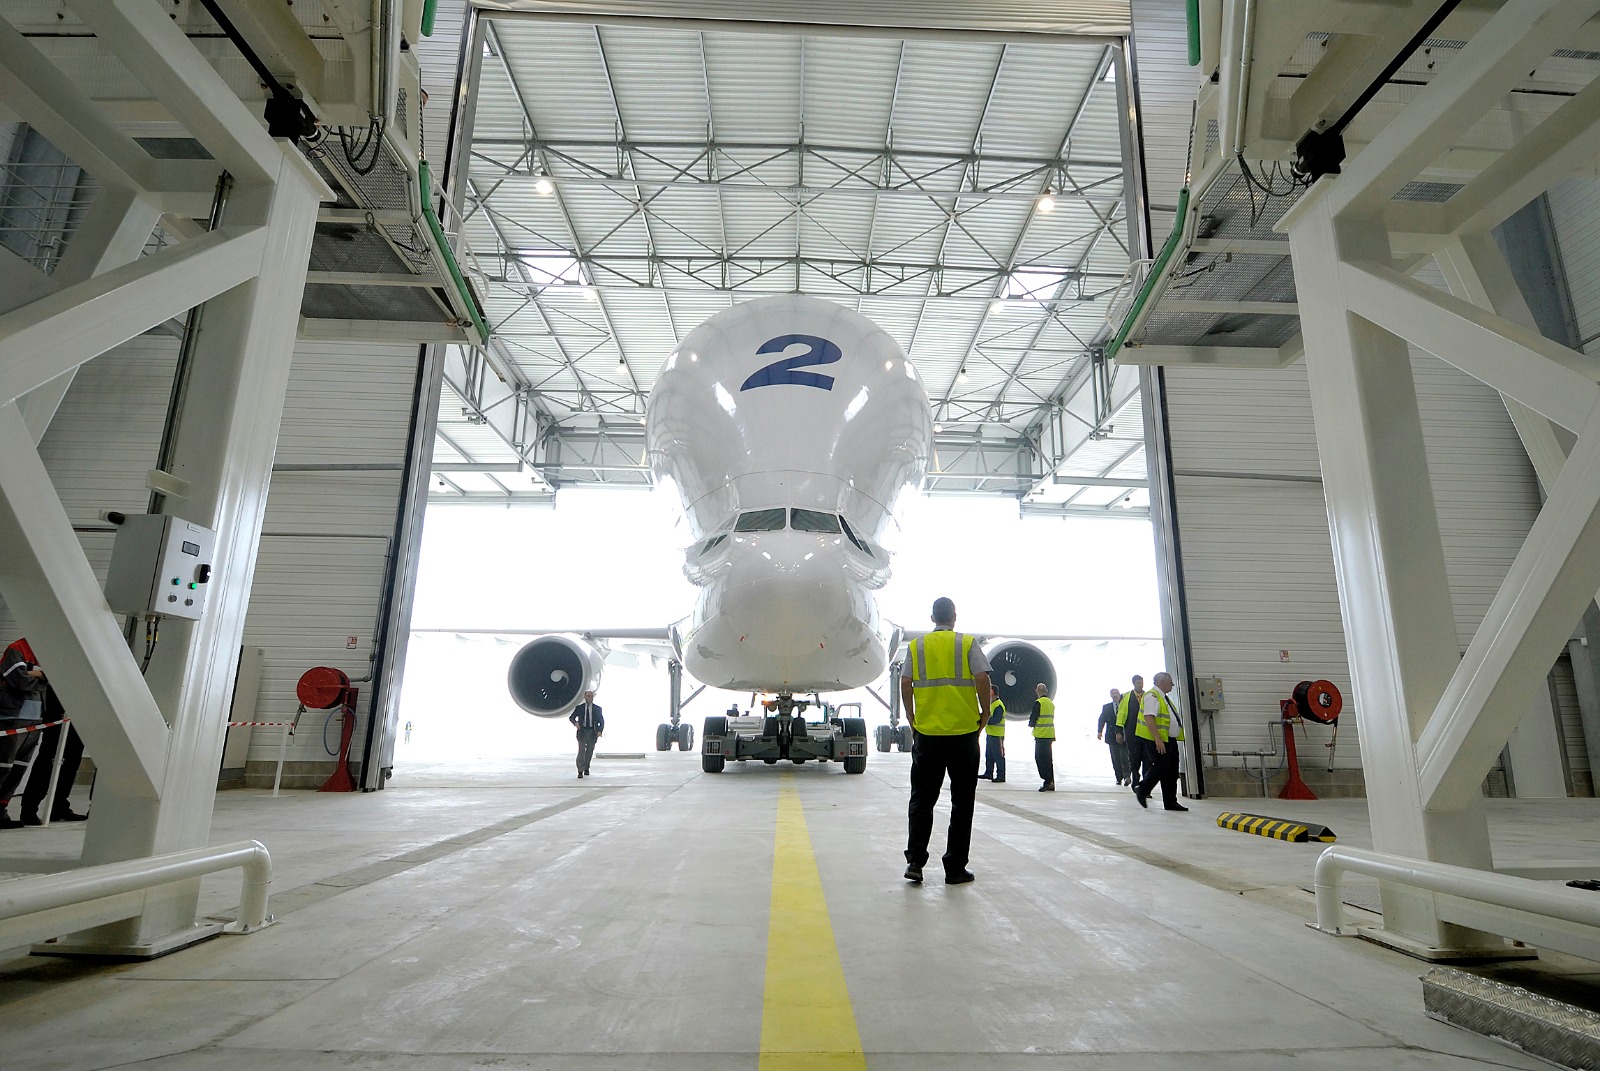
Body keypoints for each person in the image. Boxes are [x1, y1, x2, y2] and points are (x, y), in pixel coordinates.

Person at [901, 596, 991, 885]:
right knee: (962, 803)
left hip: (928, 735)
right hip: (963, 735)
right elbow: (982, 677)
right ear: (954, 616)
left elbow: (905, 682)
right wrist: (985, 711)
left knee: (922, 800)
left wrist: (911, 717)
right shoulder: (967, 643)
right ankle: (954, 868)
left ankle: (915, 862)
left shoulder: (917, 646)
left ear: (932, 618)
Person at [20, 685, 87, 825]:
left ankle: (59, 805)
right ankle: (29, 809)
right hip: (58, 705)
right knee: (48, 760)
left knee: (72, 760)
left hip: (80, 705)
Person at [0, 637, 48, 829]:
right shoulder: (17, 649)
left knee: (18, 769)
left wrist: (35, 673)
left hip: (35, 721)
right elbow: (19, 680)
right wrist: (42, 677)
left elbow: (56, 678)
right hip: (11, 718)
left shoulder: (46, 652)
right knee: (3, 767)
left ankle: (1, 810)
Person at [1133, 672, 1189, 812]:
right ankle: (1143, 788)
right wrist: (1158, 739)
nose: (1172, 685)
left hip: (1169, 740)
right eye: (1170, 682)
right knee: (1161, 767)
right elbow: (1149, 717)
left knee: (1171, 771)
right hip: (1158, 740)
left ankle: (1170, 802)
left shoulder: (1163, 697)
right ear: (1163, 682)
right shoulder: (1152, 696)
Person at [1115, 675, 1151, 791]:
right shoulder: (1126, 697)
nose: (1141, 685)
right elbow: (1121, 715)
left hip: (1147, 734)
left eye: (1142, 682)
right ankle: (1135, 782)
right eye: (1138, 682)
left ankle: (1145, 787)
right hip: (1132, 734)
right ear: (1134, 683)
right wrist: (1119, 732)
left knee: (1148, 760)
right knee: (1134, 760)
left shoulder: (1148, 696)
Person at [1097, 687, 1129, 785]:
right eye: (1113, 693)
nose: (1115, 695)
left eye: (1116, 693)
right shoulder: (1106, 707)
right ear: (1110, 695)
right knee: (1115, 758)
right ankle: (1119, 778)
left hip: (1124, 736)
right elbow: (1102, 719)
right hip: (1111, 736)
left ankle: (1127, 776)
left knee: (1125, 757)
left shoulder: (1125, 705)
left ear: (1119, 695)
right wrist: (1099, 731)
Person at [569, 690, 604, 778]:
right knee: (581, 751)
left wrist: (599, 730)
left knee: (589, 750)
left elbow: (601, 721)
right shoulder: (579, 708)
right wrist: (575, 723)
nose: (590, 698)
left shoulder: (597, 709)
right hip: (582, 731)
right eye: (588, 696)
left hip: (592, 732)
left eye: (591, 696)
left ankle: (586, 767)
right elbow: (571, 717)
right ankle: (580, 770)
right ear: (585, 697)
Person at [1028, 682, 1056, 791]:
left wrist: (1031, 724)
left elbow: (1033, 718)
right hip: (1049, 734)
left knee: (1040, 759)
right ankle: (1051, 782)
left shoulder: (1039, 703)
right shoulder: (1050, 703)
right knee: (1048, 760)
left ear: (1037, 691)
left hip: (1041, 735)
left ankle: (1047, 780)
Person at [978, 691, 1005, 783]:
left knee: (999, 756)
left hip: (997, 735)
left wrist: (985, 720)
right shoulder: (992, 704)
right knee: (989, 755)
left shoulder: (998, 705)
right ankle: (989, 773)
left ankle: (1001, 775)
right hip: (990, 733)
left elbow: (996, 719)